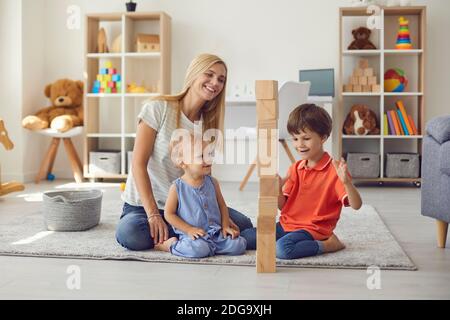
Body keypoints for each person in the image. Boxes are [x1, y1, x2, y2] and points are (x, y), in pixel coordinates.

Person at [116, 54, 253, 251]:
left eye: (221, 79)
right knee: (130, 233)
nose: (215, 83)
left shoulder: (208, 124)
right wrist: (153, 214)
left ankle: (185, 237)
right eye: (209, 75)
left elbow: (204, 174)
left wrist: (220, 217)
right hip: (144, 206)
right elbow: (138, 164)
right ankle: (176, 240)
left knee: (243, 225)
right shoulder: (158, 108)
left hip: (188, 208)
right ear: (193, 75)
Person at [241, 104, 363, 259]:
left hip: (313, 229)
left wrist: (346, 182)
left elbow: (357, 205)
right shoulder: (295, 168)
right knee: (246, 237)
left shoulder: (335, 170)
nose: (300, 145)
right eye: (295, 138)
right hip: (287, 225)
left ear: (323, 137)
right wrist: (278, 190)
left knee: (282, 250)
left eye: (306, 138)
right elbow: (283, 206)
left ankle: (329, 245)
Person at [154, 136, 247, 258]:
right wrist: (189, 230)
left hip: (216, 233)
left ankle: (212, 247)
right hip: (193, 236)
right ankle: (170, 245)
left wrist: (225, 226)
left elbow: (222, 206)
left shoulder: (213, 182)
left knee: (239, 244)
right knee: (198, 249)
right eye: (201, 156)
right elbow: (169, 214)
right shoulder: (177, 187)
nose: (207, 159)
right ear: (183, 162)